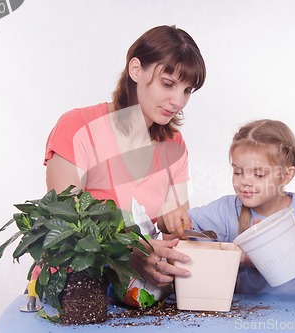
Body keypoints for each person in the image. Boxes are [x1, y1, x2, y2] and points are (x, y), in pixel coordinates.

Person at [42, 25, 206, 306]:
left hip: (137, 298)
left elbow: (170, 237)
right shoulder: (78, 128)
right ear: (135, 70)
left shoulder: (174, 146)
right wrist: (130, 251)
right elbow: (65, 224)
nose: (178, 101)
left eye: (187, 90)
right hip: (74, 291)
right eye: (167, 83)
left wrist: (171, 224)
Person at [159, 119, 295, 295]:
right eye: (238, 172)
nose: (245, 182)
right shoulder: (227, 209)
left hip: (294, 317)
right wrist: (171, 216)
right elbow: (177, 226)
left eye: (259, 174)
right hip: (241, 316)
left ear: (286, 175)